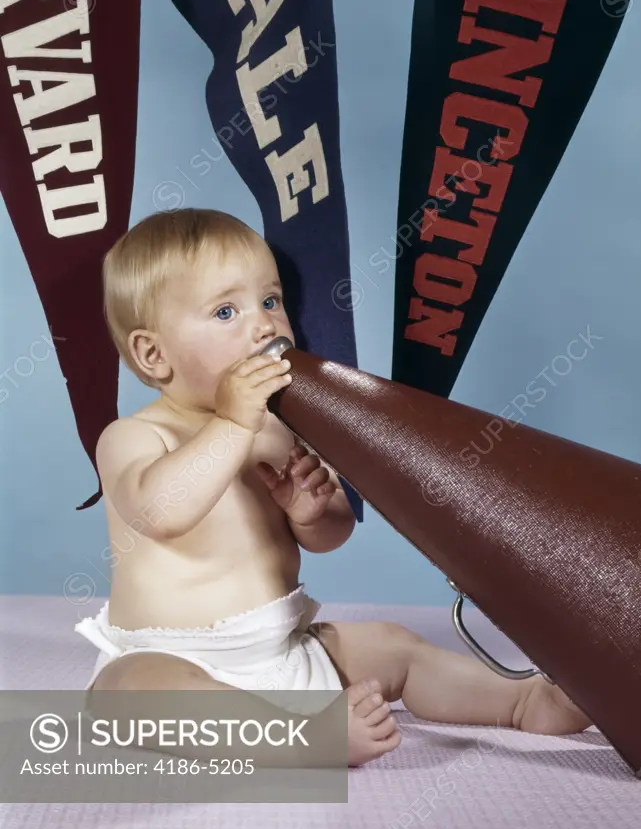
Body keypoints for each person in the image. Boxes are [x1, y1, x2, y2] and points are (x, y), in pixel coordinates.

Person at [75, 208, 591, 769]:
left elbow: (332, 533)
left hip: (286, 650)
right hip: (174, 658)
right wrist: (230, 426)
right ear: (154, 354)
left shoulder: (281, 429)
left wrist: (310, 512)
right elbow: (160, 513)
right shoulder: (134, 436)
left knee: (394, 646)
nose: (264, 326)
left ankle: (522, 701)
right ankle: (302, 739)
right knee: (129, 696)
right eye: (226, 311)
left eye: (270, 301)